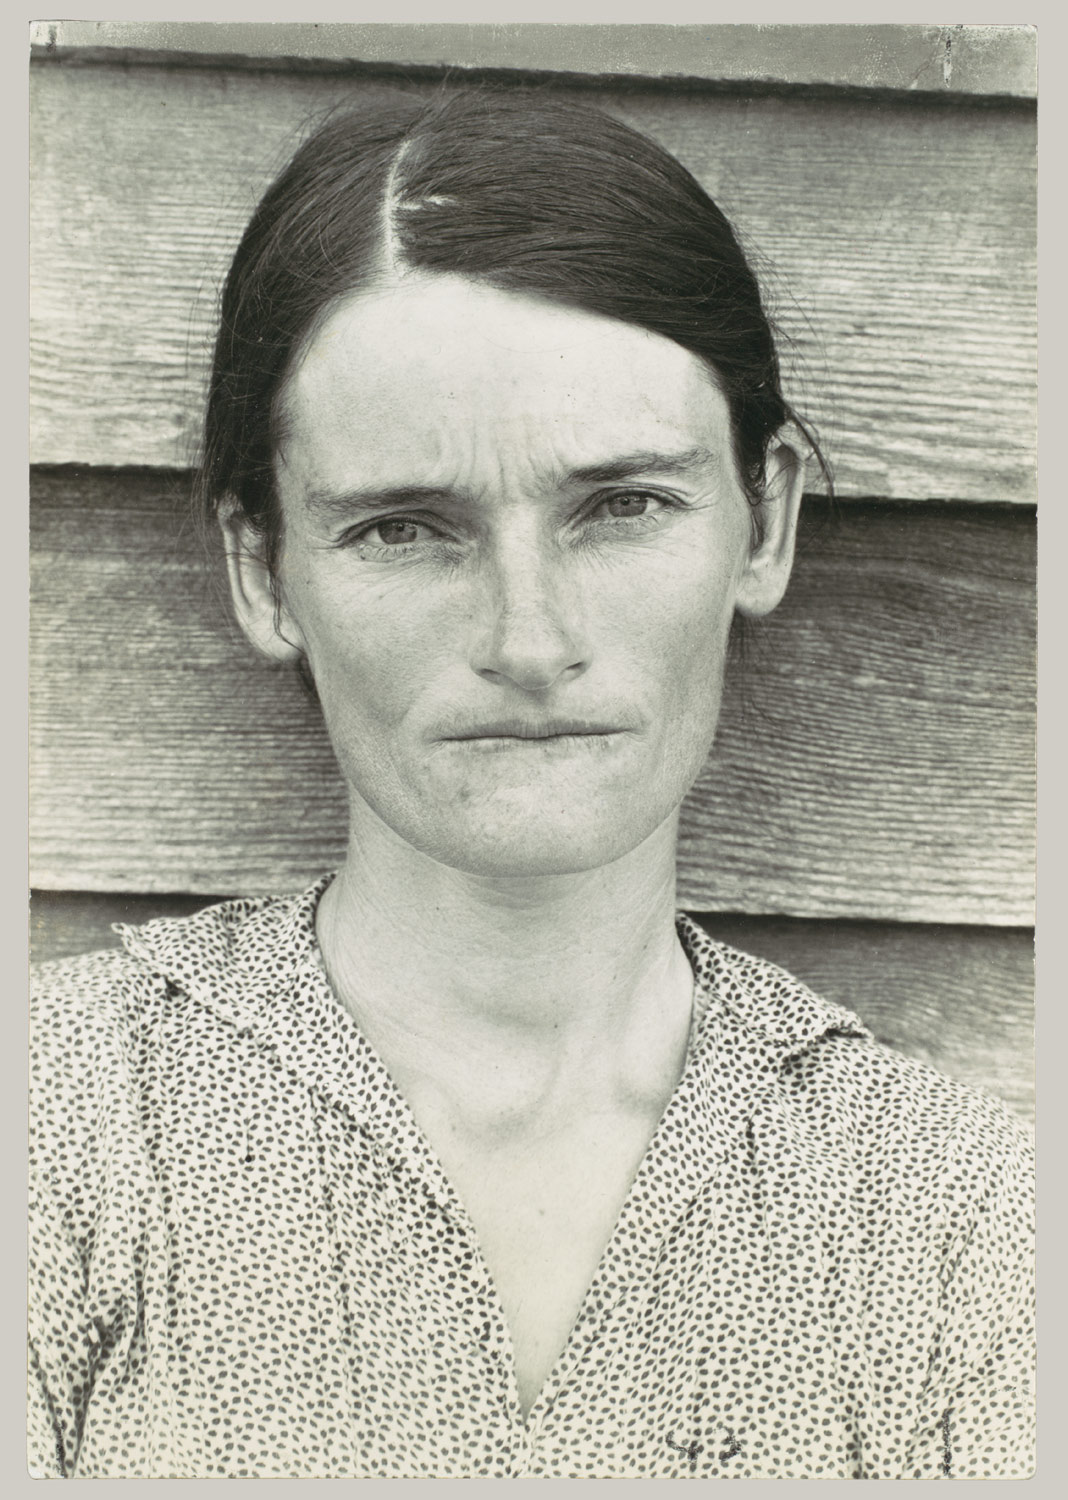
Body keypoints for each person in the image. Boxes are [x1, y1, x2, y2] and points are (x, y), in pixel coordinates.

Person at [28, 89, 1034, 1480]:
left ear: (769, 516)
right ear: (263, 570)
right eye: (403, 527)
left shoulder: (949, 1212)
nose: (530, 640)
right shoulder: (63, 1119)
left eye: (623, 507)